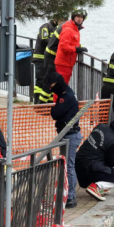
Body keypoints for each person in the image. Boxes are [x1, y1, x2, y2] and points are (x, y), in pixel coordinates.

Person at [74, 118, 114, 202]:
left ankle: (99, 188)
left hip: (78, 166)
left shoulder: (100, 127)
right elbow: (111, 163)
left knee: (104, 167)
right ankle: (95, 187)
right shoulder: (113, 142)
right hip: (90, 170)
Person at [49, 74, 81, 208]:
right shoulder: (66, 94)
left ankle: (71, 197)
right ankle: (68, 195)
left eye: (52, 86)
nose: (51, 89)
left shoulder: (66, 97)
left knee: (69, 167)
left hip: (70, 135)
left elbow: (55, 113)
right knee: (67, 166)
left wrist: (53, 109)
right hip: (67, 134)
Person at [53, 9, 87, 86]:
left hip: (68, 63)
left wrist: (79, 47)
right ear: (73, 17)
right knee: (60, 88)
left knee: (63, 87)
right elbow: (64, 46)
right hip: (63, 63)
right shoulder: (68, 29)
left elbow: (72, 43)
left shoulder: (75, 29)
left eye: (81, 17)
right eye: (78, 16)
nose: (80, 19)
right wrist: (76, 49)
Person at [32, 17, 60, 104]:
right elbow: (44, 38)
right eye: (61, 19)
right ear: (55, 19)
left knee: (49, 80)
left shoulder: (57, 29)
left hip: (49, 59)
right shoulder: (45, 26)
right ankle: (37, 102)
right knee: (40, 80)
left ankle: (47, 103)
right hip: (40, 57)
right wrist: (56, 44)